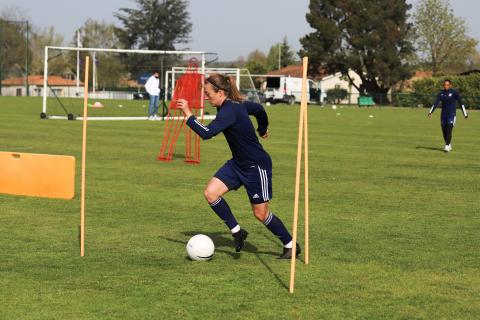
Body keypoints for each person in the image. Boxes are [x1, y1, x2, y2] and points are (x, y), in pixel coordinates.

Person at [177, 73, 300, 259]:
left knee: (260, 214)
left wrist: (188, 114)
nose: (206, 97)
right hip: (238, 164)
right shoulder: (236, 105)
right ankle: (237, 232)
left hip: (256, 166)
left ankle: (290, 244)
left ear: (220, 92)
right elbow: (258, 109)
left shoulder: (229, 110)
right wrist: (263, 128)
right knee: (211, 193)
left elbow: (207, 133)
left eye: (208, 93)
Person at [428, 79, 468, 152]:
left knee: (449, 128)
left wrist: (465, 114)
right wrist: (430, 112)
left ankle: (446, 146)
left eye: (447, 85)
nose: (445, 86)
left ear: (450, 85)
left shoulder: (454, 93)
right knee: (444, 131)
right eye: (444, 85)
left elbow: (461, 103)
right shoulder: (441, 93)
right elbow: (436, 103)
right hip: (443, 115)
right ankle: (448, 144)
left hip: (452, 114)